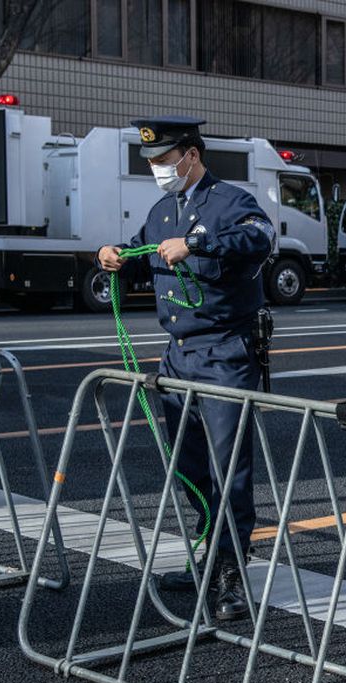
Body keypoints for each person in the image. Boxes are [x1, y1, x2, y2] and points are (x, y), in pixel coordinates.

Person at [96, 116, 275, 622]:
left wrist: (198, 245)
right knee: (188, 466)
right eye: (151, 161)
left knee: (228, 470)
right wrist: (113, 256)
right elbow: (140, 253)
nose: (157, 168)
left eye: (163, 160)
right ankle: (209, 553)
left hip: (225, 352)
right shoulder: (161, 211)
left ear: (190, 155)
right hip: (178, 352)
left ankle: (231, 574)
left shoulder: (230, 201)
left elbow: (260, 238)